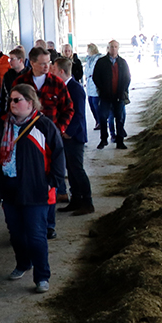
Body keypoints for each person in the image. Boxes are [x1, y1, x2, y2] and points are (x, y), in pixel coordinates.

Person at [0, 83, 65, 294]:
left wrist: (51, 182)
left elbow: (58, 155)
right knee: (15, 232)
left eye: (17, 100)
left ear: (30, 103)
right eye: (10, 100)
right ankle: (23, 263)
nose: (12, 104)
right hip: (9, 187)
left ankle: (42, 276)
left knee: (36, 234)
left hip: (35, 189)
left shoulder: (43, 126)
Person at [15, 47, 73, 237]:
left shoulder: (57, 83)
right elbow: (10, 107)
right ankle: (27, 221)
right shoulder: (20, 82)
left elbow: (68, 108)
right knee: (28, 177)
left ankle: (49, 224)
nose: (47, 66)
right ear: (31, 63)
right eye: (42, 63)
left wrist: (59, 130)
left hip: (49, 140)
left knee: (50, 179)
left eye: (48, 63)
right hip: (26, 140)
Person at [54, 56, 94, 215]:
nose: (52, 72)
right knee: (70, 169)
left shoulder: (75, 88)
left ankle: (87, 202)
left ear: (61, 71)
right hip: (66, 135)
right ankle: (76, 199)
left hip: (74, 136)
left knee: (77, 169)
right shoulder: (63, 87)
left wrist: (68, 132)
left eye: (54, 69)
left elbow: (79, 114)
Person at [91, 39, 131, 149]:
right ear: (108, 48)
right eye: (111, 47)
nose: (113, 49)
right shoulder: (101, 62)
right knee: (103, 117)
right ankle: (104, 139)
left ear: (118, 48)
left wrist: (122, 90)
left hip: (119, 95)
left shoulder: (122, 62)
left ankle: (120, 141)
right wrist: (102, 89)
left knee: (120, 118)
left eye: (115, 47)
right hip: (105, 96)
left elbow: (127, 77)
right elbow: (96, 77)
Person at [0, 47, 26, 114]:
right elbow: (3, 94)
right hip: (11, 109)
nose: (9, 62)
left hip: (26, 109)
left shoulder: (29, 74)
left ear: (20, 60)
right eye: (9, 59)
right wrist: (2, 112)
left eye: (12, 59)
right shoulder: (8, 75)